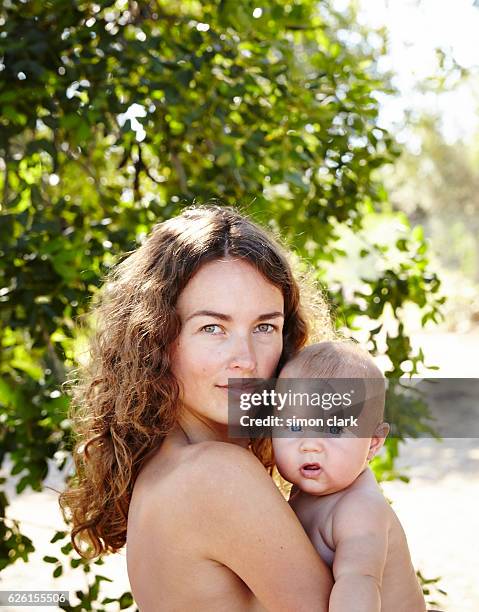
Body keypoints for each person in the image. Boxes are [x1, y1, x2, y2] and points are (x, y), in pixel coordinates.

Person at [59, 205, 334, 611]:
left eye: (265, 327)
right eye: (212, 328)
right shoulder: (216, 474)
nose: (246, 358)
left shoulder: (168, 462)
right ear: (157, 340)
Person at [272, 341, 427, 612]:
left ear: (373, 443)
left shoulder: (361, 508)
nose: (309, 444)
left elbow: (359, 582)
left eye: (333, 429)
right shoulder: (307, 491)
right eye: (294, 425)